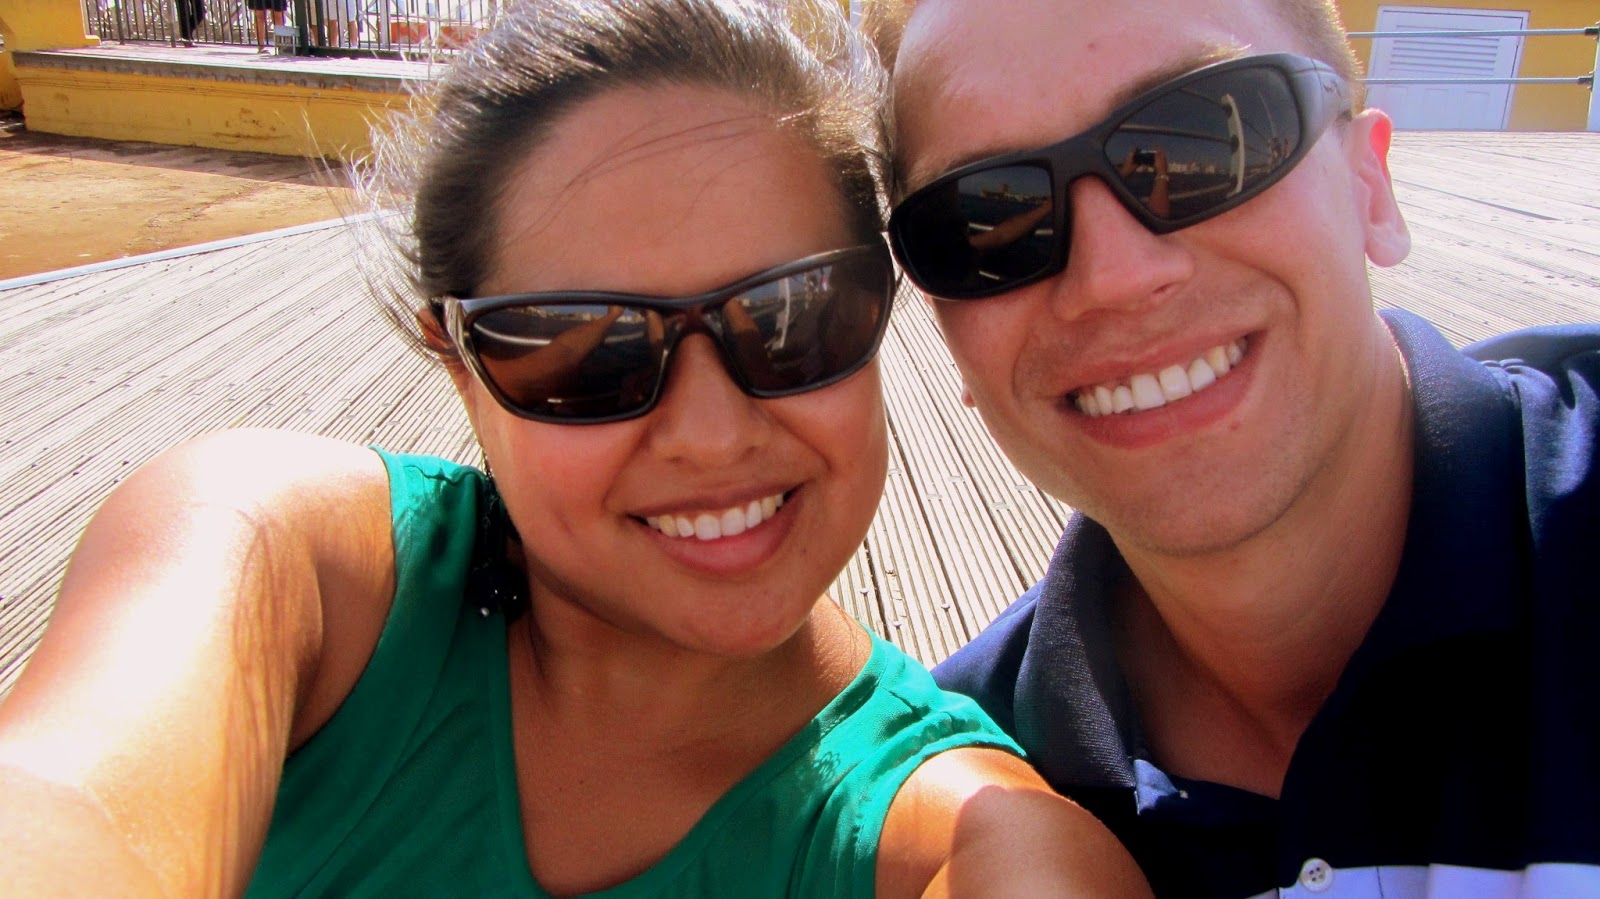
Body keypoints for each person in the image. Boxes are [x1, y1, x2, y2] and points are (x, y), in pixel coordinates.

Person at [0, 1, 1149, 896]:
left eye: (792, 316)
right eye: (583, 349)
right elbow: (71, 805)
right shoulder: (288, 569)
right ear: (460, 366)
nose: (710, 432)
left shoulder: (964, 840)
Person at [872, 0, 1600, 895]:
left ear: (1370, 188)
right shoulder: (962, 805)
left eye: (1204, 142)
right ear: (947, 330)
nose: (1116, 277)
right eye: (992, 218)